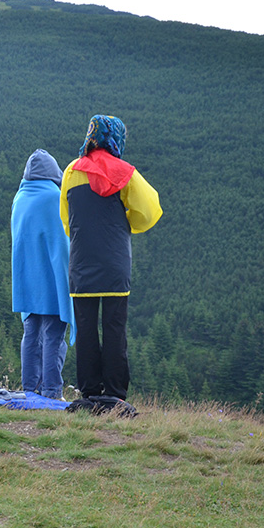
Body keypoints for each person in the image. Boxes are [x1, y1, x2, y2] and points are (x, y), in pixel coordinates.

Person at [60, 115, 162, 404]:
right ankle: (116, 394)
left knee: (86, 327)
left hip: (81, 262)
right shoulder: (125, 172)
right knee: (115, 328)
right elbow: (150, 209)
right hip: (115, 261)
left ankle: (90, 391)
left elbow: (67, 220)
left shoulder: (70, 171)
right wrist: (125, 223)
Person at [11, 149, 75, 400]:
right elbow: (62, 244)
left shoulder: (20, 198)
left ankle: (29, 389)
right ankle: (51, 391)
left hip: (26, 279)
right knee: (53, 334)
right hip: (51, 279)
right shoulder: (53, 198)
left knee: (31, 333)